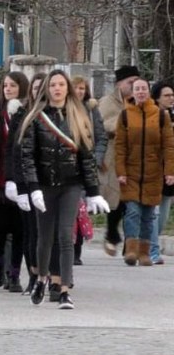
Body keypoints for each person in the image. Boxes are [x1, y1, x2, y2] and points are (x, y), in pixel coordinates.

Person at [19, 70, 110, 309]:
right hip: (46, 185)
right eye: (53, 85)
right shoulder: (37, 117)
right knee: (45, 237)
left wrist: (93, 191)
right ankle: (41, 278)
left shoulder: (79, 116)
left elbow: (86, 157)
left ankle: (65, 289)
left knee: (66, 235)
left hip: (71, 184)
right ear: (47, 89)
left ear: (67, 88)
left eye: (61, 85)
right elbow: (27, 156)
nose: (57, 89)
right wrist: (33, 187)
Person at [115, 78, 174, 266]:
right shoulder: (125, 115)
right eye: (137, 89)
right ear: (132, 93)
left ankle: (145, 252)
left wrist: (169, 171)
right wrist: (121, 171)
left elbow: (168, 146)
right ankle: (131, 249)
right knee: (132, 211)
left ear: (148, 92)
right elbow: (120, 146)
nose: (140, 92)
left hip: (153, 173)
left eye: (144, 89)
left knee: (149, 214)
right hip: (131, 173)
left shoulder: (161, 115)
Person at [0, 71, 30, 292]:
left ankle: (14, 274)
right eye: (5, 86)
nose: (8, 89)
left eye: (13, 86)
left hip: (21, 177)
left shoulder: (28, 112)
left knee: (20, 228)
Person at [99, 65, 140, 256]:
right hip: (114, 157)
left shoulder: (142, 101)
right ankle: (112, 234)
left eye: (136, 82)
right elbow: (103, 124)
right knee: (115, 199)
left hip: (138, 158)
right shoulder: (108, 102)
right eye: (129, 82)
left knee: (133, 201)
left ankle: (128, 242)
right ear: (119, 84)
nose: (133, 86)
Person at [70, 76, 108, 265]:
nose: (79, 92)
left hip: (87, 165)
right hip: (69, 165)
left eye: (82, 88)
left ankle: (77, 250)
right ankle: (70, 247)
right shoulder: (63, 109)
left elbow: (101, 137)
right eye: (76, 88)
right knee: (72, 208)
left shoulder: (92, 110)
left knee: (81, 209)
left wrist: (96, 158)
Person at [151, 81, 174, 264]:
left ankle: (149, 242)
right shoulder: (151, 116)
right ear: (157, 98)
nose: (171, 98)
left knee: (163, 215)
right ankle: (152, 248)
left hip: (170, 171)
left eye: (172, 95)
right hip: (153, 169)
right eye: (167, 95)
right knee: (154, 212)